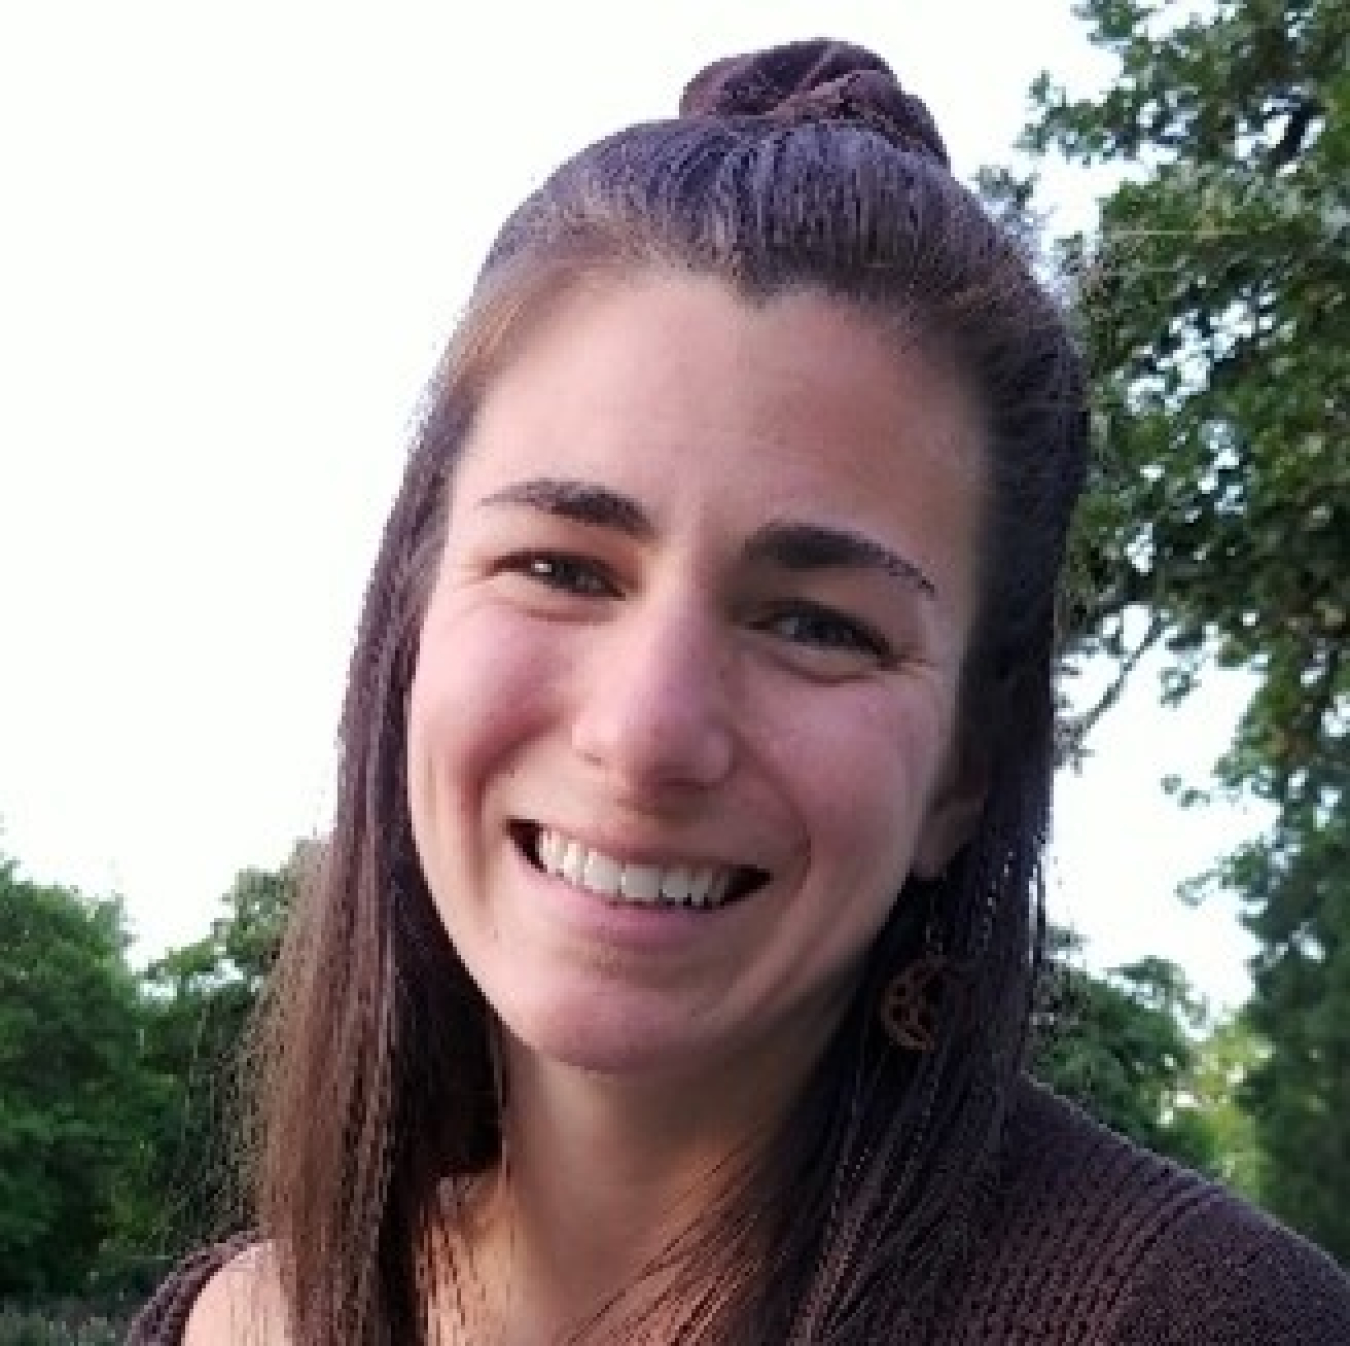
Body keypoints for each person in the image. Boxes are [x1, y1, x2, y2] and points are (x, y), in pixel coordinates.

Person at [129, 38, 1350, 1345]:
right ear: (415, 617)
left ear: (964, 768)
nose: (646, 731)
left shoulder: (1197, 1321)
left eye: (816, 623)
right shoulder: (233, 1320)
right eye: (560, 565)